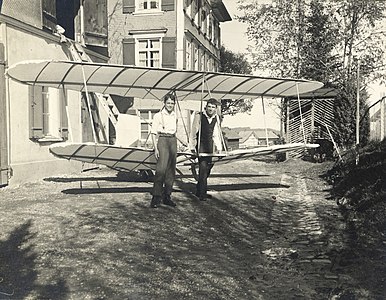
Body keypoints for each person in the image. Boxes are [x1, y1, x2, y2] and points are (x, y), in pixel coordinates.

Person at [189, 98, 223, 201]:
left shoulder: (216, 118)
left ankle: (199, 190)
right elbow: (193, 132)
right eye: (209, 106)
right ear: (206, 107)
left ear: (216, 108)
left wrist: (219, 148)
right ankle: (202, 193)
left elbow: (216, 134)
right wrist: (192, 147)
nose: (211, 109)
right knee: (203, 169)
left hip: (210, 146)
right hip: (201, 146)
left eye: (213, 107)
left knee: (208, 169)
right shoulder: (199, 116)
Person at [150, 93, 179, 208]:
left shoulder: (175, 116)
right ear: (164, 103)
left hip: (172, 140)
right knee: (161, 169)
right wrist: (155, 148)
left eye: (172, 103)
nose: (170, 105)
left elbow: (175, 130)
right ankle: (156, 197)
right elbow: (153, 132)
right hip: (162, 140)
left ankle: (167, 196)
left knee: (171, 170)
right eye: (168, 103)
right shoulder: (158, 115)